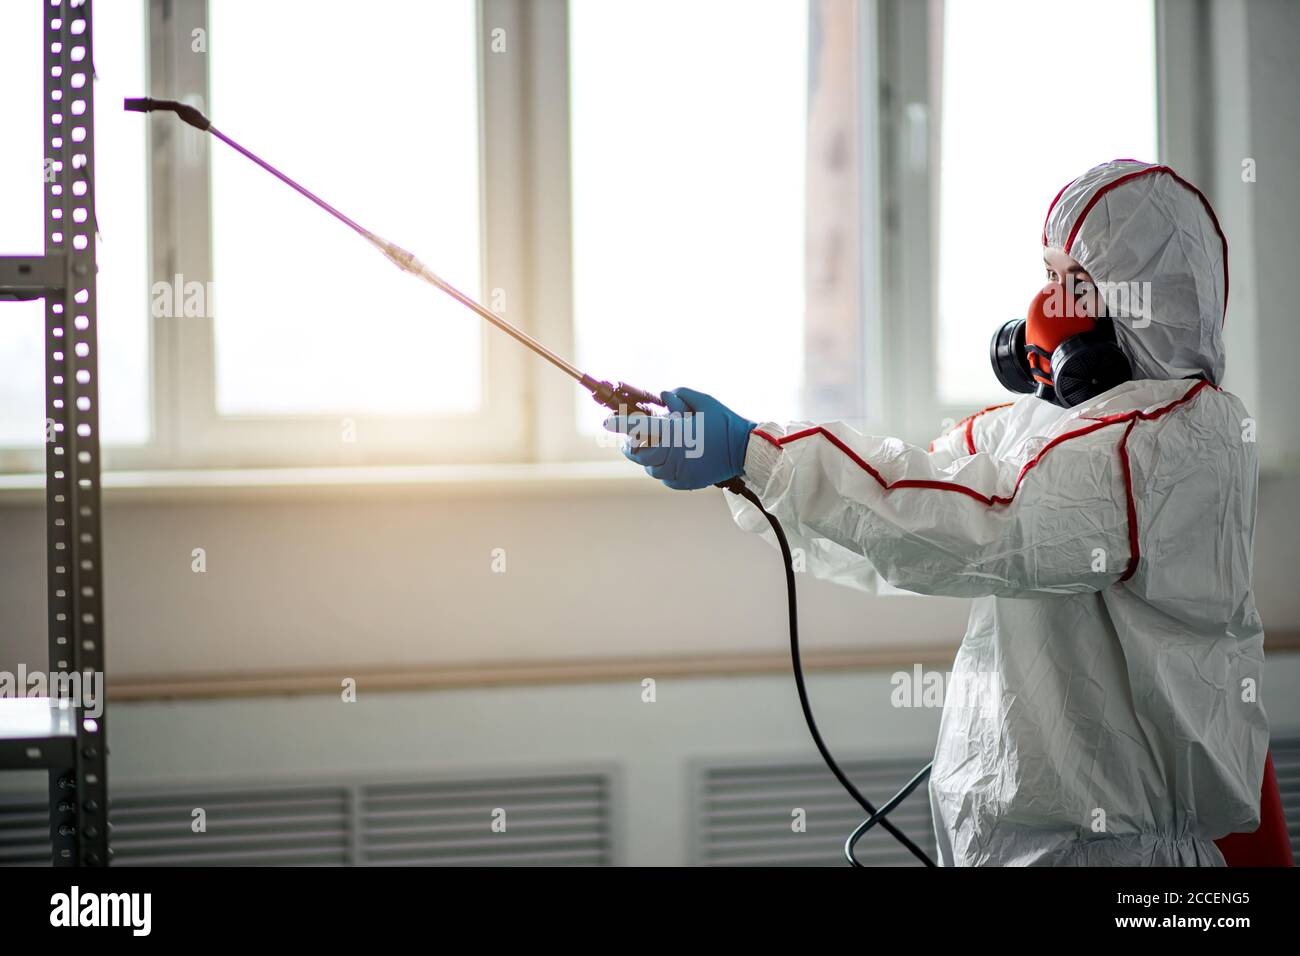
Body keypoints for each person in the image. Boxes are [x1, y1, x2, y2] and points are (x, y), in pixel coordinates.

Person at [605, 159, 1268, 866]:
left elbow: (980, 529)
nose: (1043, 305)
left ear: (1135, 299)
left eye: (1066, 281)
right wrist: (748, 473)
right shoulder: (1049, 425)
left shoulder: (1177, 439)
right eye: (1044, 277)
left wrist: (759, 451)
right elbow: (907, 520)